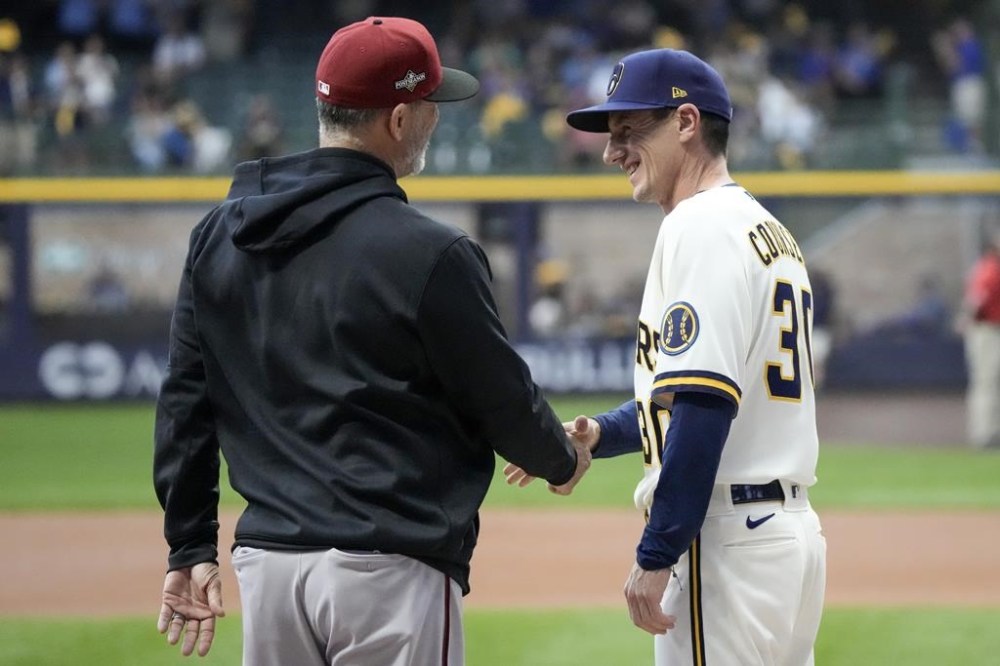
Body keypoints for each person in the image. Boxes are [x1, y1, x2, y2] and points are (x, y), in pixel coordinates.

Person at [153, 16, 590, 665]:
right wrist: (562, 458)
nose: (435, 121)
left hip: (269, 566)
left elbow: (186, 403)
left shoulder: (219, 236)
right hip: (390, 571)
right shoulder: (432, 252)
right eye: (429, 106)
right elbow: (501, 399)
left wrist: (189, 544)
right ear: (397, 120)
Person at [506, 49, 826, 664]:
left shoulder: (698, 226)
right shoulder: (765, 229)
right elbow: (691, 394)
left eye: (630, 132)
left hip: (727, 542)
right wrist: (598, 434)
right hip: (786, 541)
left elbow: (705, 406)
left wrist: (657, 553)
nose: (611, 151)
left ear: (686, 123)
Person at [961, 231, 1000, 449]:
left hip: (992, 329)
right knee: (986, 382)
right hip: (986, 330)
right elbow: (976, 300)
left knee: (992, 383)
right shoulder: (990, 268)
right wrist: (968, 319)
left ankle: (993, 431)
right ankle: (984, 434)